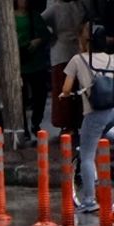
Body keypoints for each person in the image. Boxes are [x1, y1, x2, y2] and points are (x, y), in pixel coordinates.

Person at [60, 21, 114, 212]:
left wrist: (66, 94)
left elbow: (66, 88)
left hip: (94, 115)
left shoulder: (78, 60)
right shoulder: (112, 59)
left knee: (87, 155)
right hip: (113, 114)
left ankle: (89, 201)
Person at [45, 0, 90, 138]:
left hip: (72, 49)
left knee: (74, 89)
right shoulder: (55, 6)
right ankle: (68, 124)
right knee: (66, 89)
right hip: (64, 51)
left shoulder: (79, 5)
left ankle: (73, 123)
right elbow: (41, 22)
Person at [17, 0, 52, 136]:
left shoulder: (34, 16)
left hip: (36, 62)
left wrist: (38, 41)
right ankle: (23, 127)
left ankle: (35, 123)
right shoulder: (11, 17)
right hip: (19, 63)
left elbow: (46, 35)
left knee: (40, 95)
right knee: (21, 98)